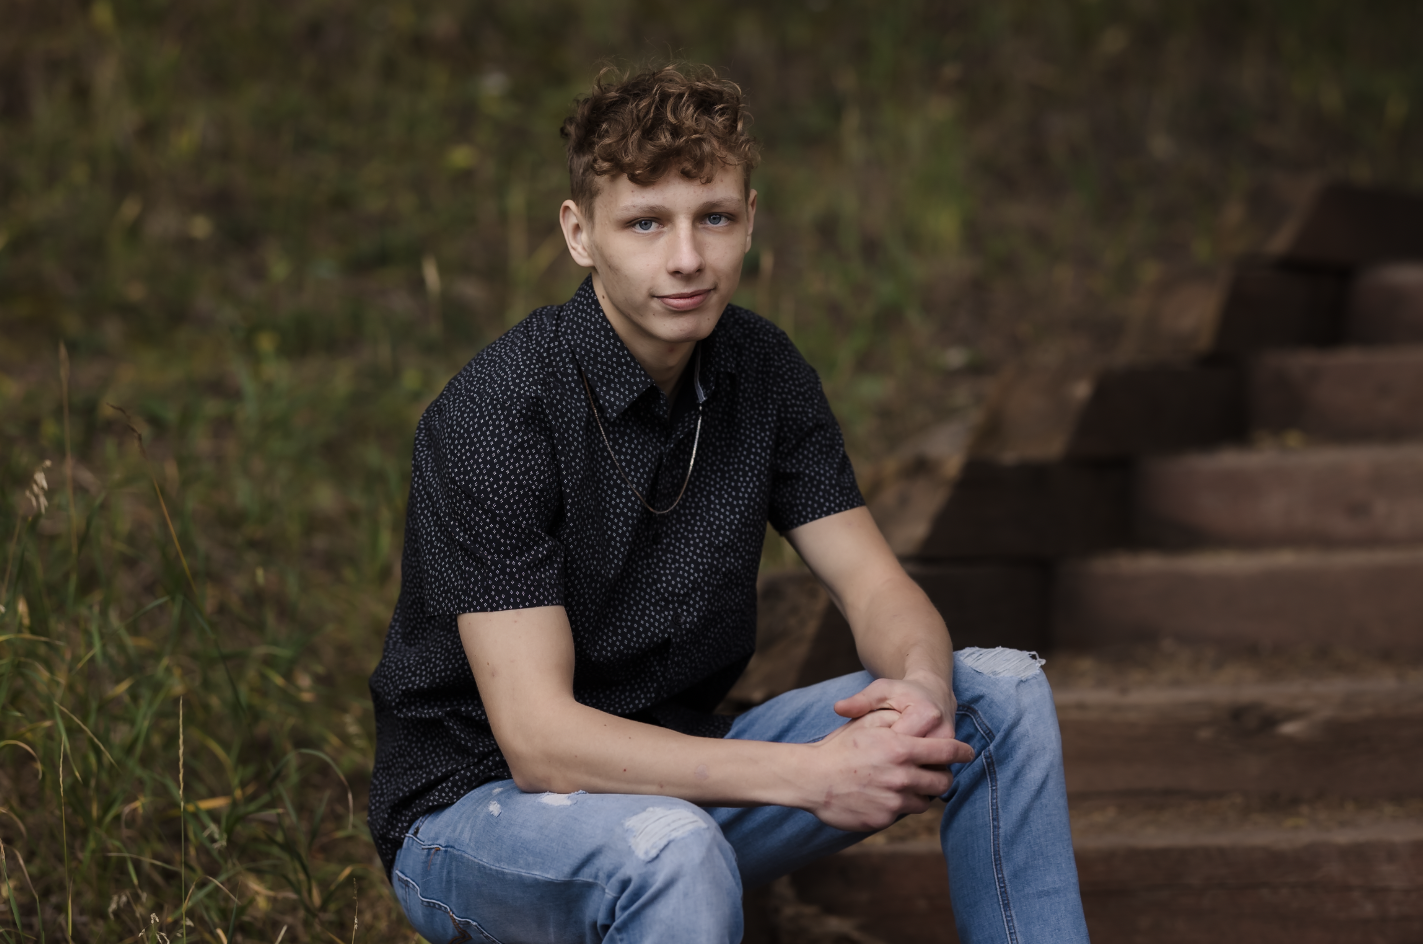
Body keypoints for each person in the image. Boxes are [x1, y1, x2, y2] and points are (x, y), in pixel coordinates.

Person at [367, 64, 1090, 944]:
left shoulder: (762, 371)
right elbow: (539, 741)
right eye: (645, 223)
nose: (686, 258)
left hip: (686, 772)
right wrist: (812, 777)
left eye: (713, 217)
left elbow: (874, 590)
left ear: (750, 219)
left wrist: (920, 694)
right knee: (675, 846)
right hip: (477, 812)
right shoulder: (498, 413)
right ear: (580, 234)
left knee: (999, 693)